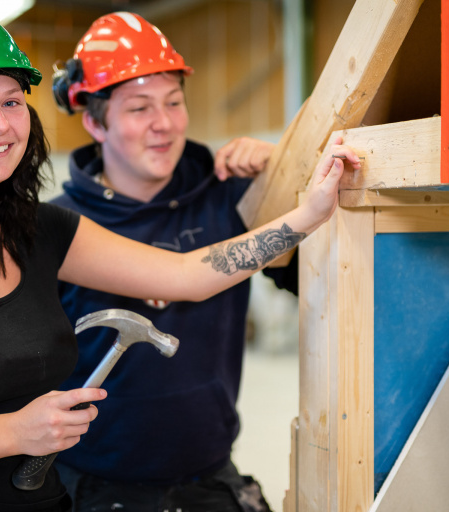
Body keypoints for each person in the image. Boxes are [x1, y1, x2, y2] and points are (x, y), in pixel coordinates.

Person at [0, 5, 360, 512]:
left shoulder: (42, 231)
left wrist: (308, 214)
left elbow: (186, 275)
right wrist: (14, 431)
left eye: (11, 102)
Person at [46, 12, 313, 512]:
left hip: (210, 479)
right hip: (94, 487)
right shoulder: (61, 227)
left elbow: (314, 279)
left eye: (173, 102)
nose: (163, 124)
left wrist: (279, 177)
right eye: (139, 108)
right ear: (94, 121)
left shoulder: (228, 198)